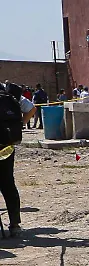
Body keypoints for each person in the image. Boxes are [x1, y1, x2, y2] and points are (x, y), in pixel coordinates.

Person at [1, 82, 37, 239]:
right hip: (6, 145)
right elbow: (32, 109)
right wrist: (20, 124)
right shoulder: (8, 91)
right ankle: (15, 225)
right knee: (8, 183)